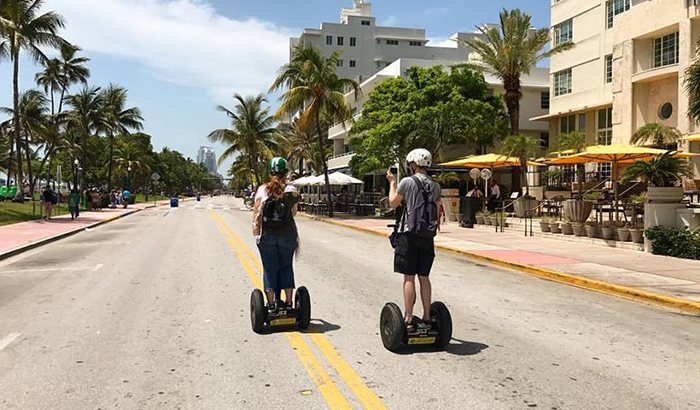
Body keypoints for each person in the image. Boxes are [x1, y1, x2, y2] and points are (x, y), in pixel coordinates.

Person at [386, 148, 442, 330]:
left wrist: (392, 183)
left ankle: (409, 318)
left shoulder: (407, 182)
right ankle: (427, 317)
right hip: (427, 235)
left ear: (413, 165)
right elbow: (438, 207)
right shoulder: (435, 185)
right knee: (424, 277)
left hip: (408, 235)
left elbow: (393, 202)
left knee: (409, 277)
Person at [252, 157, 300, 310]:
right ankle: (289, 303)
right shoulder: (291, 190)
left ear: (270, 172)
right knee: (286, 266)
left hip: (267, 235)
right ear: (285, 172)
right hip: (287, 234)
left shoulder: (262, 189)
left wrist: (257, 236)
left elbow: (257, 213)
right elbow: (294, 213)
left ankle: (271, 304)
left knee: (270, 267)